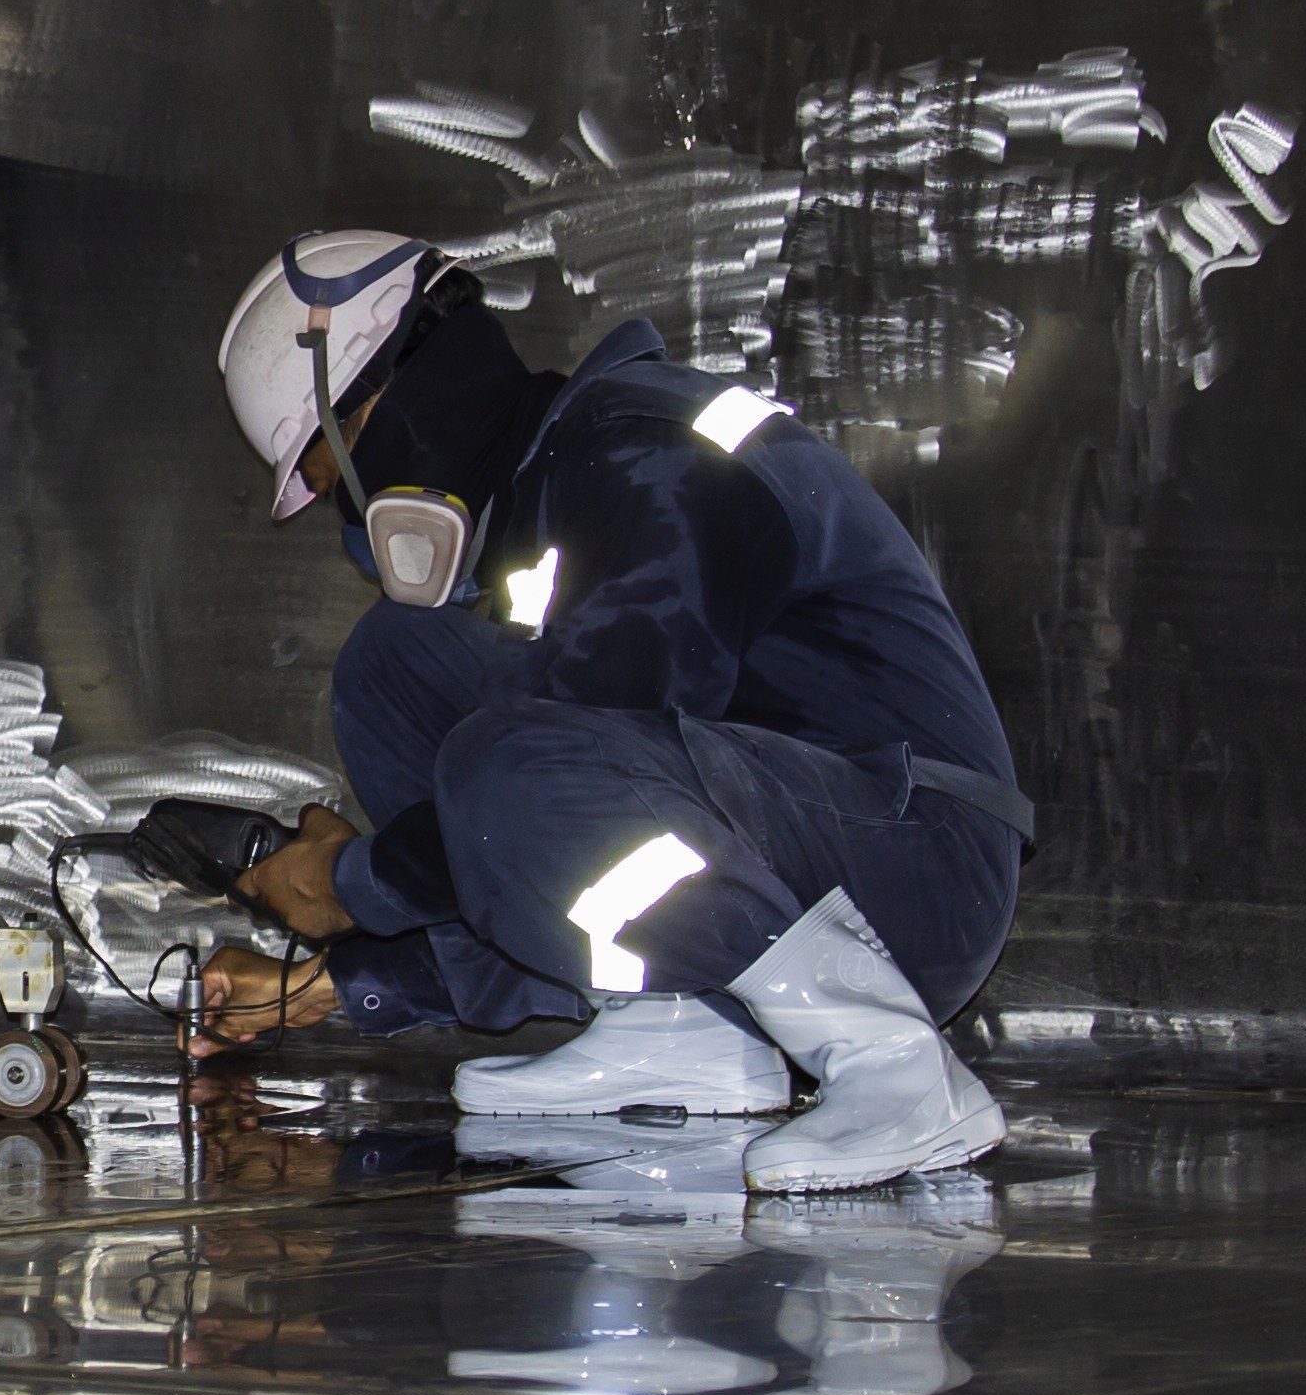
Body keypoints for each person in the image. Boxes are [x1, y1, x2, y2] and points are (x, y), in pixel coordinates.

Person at [185, 234, 1031, 1192]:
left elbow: (557, 771)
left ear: (394, 400)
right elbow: (562, 836)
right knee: (399, 666)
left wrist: (355, 885)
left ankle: (894, 1069)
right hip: (805, 846)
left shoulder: (648, 453)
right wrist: (341, 981)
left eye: (338, 476)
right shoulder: (553, 495)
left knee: (511, 764)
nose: (354, 518)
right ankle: (676, 1022)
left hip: (917, 865)